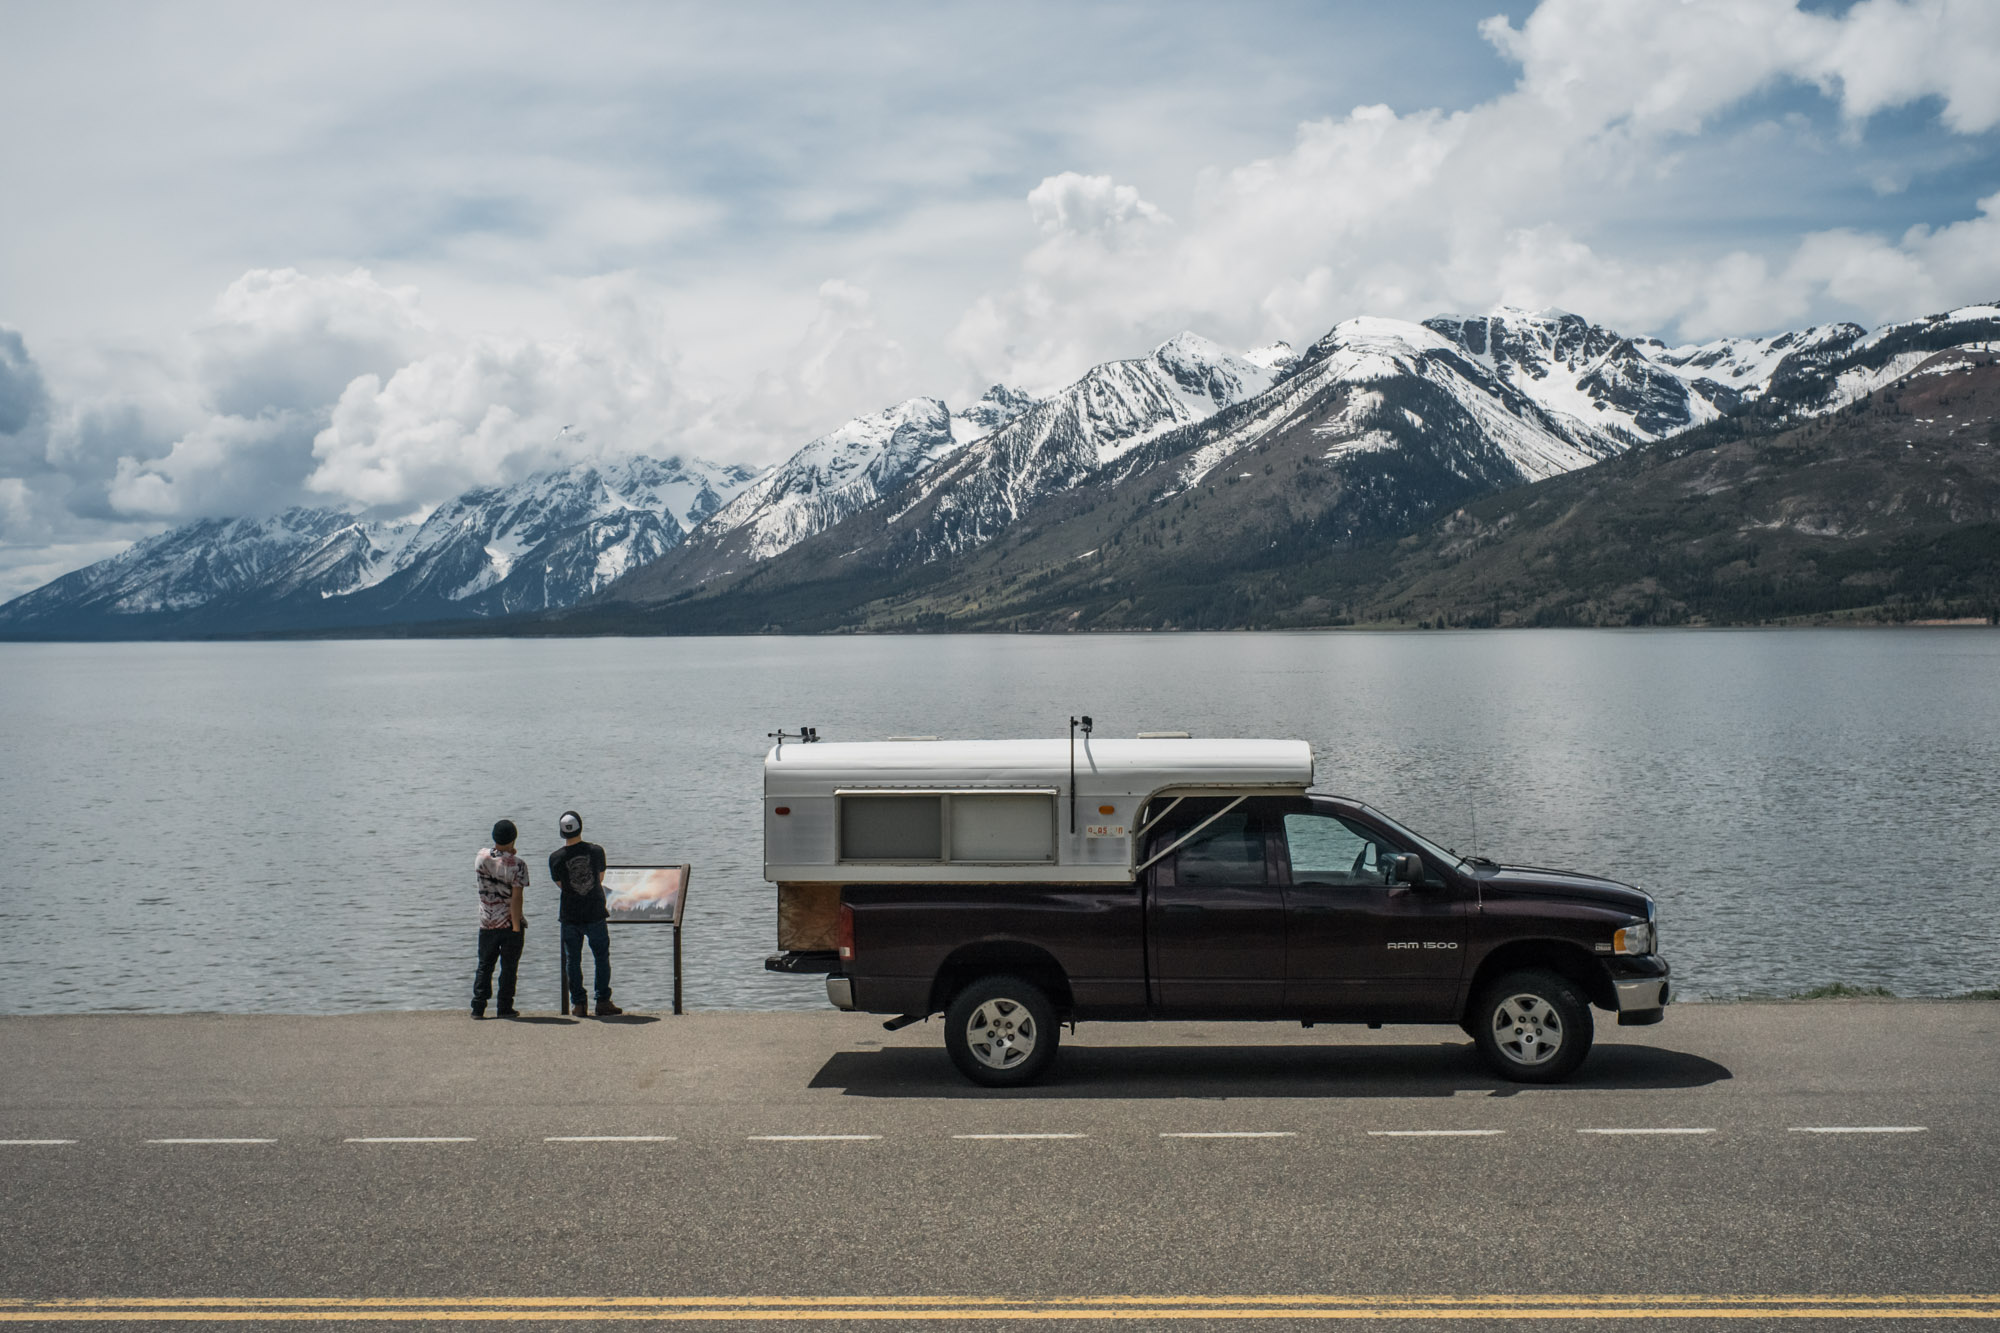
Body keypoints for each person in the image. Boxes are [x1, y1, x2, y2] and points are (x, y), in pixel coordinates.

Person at [550, 810, 622, 1017]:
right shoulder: (596, 851)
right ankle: (602, 1001)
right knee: (601, 957)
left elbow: (561, 885)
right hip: (595, 912)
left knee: (573, 960)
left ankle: (579, 1004)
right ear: (581, 826)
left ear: (561, 832)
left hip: (569, 915)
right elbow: (598, 878)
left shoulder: (555, 858)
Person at [472, 819, 529, 1019]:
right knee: (508, 967)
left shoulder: (480, 857)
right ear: (514, 839)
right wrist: (515, 925)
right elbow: (516, 898)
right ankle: (504, 1007)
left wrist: (507, 852)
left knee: (485, 965)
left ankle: (478, 1007)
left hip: (486, 922)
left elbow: (496, 857)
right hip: (508, 922)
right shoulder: (519, 865)